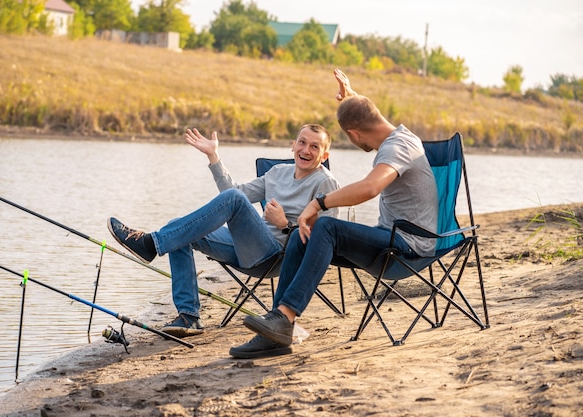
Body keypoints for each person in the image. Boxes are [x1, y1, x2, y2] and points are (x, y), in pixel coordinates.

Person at [229, 69, 439, 358]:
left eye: (350, 137)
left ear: (353, 133)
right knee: (307, 232)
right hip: (391, 236)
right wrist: (351, 99)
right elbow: (366, 114)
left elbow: (370, 187)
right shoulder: (397, 136)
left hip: (410, 246)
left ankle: (284, 318)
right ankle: (278, 327)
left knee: (325, 226)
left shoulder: (397, 147)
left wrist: (318, 203)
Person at [107, 124, 340, 345]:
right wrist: (213, 157)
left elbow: (324, 238)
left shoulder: (325, 183)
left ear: (325, 155)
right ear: (293, 145)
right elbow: (236, 193)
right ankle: (189, 316)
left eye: (314, 146)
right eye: (302, 142)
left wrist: (286, 224)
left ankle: (150, 243)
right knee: (178, 229)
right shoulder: (277, 172)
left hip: (276, 256)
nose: (306, 150)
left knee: (229, 202)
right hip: (249, 247)